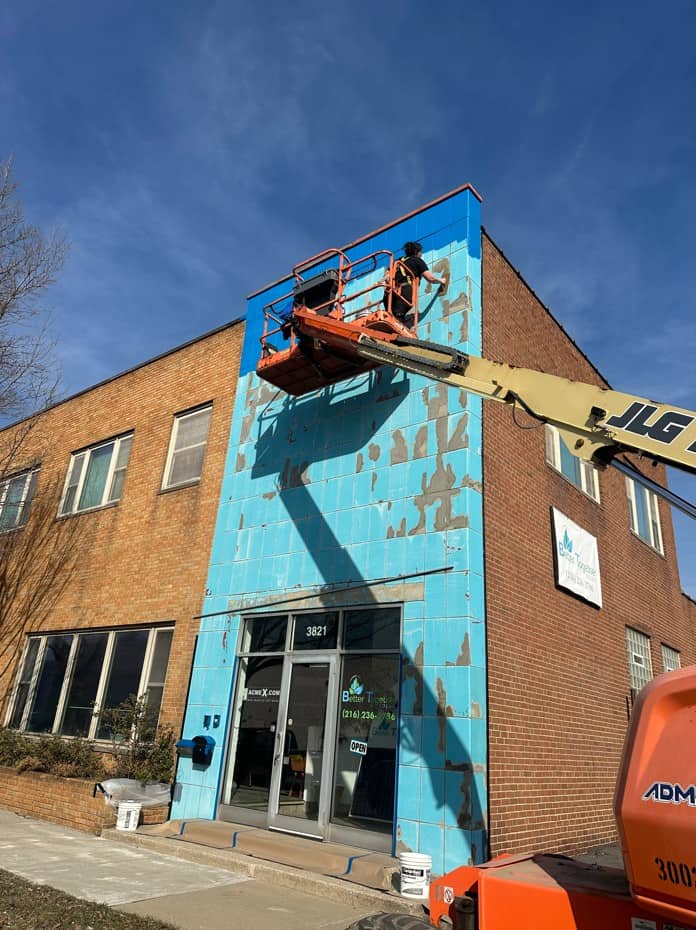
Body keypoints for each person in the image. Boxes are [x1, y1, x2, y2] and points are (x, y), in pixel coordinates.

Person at [385, 241, 447, 321]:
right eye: (420, 252)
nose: (421, 254)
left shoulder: (398, 261)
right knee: (398, 318)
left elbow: (386, 277)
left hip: (389, 294)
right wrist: (442, 281)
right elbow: (430, 278)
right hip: (404, 292)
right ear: (416, 252)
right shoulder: (417, 261)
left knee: (391, 317)